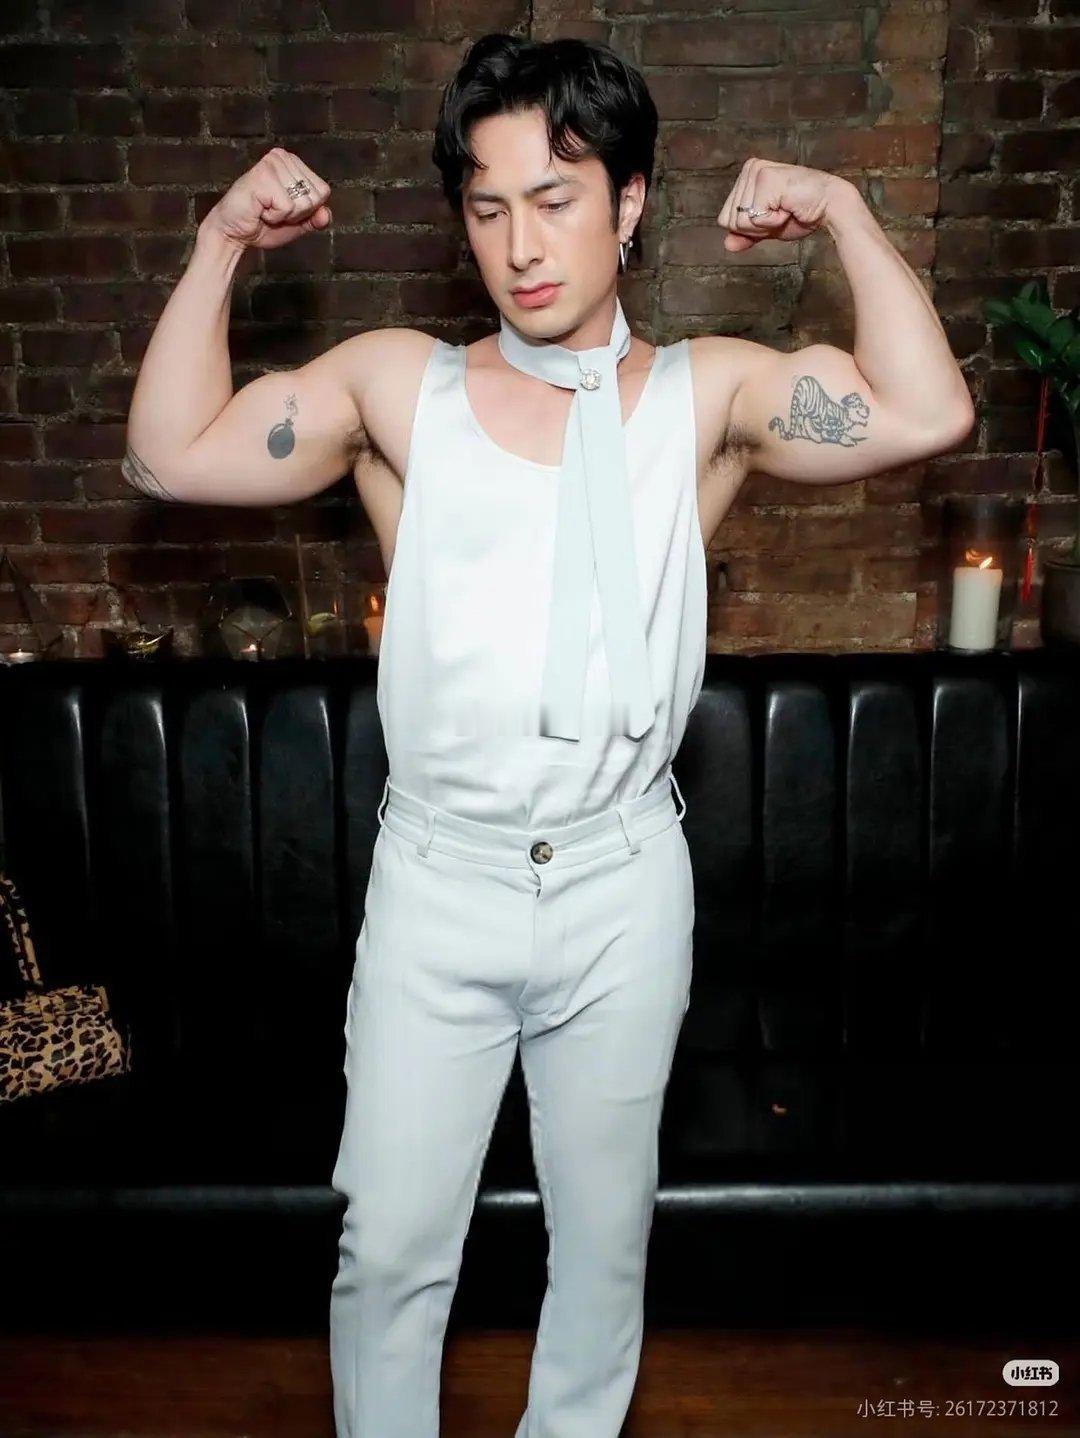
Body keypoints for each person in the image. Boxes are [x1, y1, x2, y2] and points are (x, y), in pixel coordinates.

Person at [122, 31, 975, 1437]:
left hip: (621, 881)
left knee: (604, 1251)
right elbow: (167, 454)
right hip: (440, 884)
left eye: (556, 198)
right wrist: (220, 242)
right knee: (389, 1246)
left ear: (628, 201)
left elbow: (930, 410)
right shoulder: (399, 389)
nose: (519, 244)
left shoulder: (708, 398)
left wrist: (843, 211)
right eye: (487, 205)